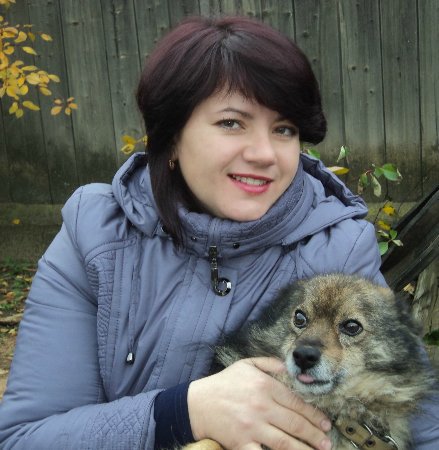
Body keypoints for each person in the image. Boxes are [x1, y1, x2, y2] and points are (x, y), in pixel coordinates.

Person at [0, 15, 437, 450]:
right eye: (232, 122)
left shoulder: (335, 249)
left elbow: (421, 423)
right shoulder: (97, 233)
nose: (265, 153)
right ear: (171, 135)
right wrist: (184, 412)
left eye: (284, 129)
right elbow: (24, 438)